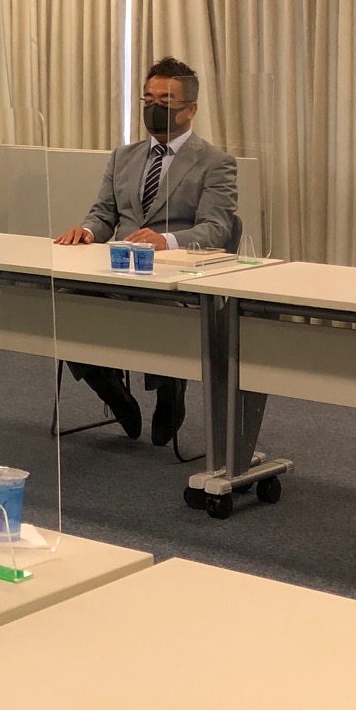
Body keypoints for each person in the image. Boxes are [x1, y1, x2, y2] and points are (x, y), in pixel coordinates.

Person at [54, 57, 240, 445]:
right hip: (117, 271)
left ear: (191, 109)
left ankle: (170, 390)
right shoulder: (124, 156)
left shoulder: (215, 163)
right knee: (67, 300)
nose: (155, 107)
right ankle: (111, 389)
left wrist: (165, 241)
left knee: (158, 312)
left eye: (166, 100)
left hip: (173, 280)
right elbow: (104, 214)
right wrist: (86, 231)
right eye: (149, 99)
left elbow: (217, 228)